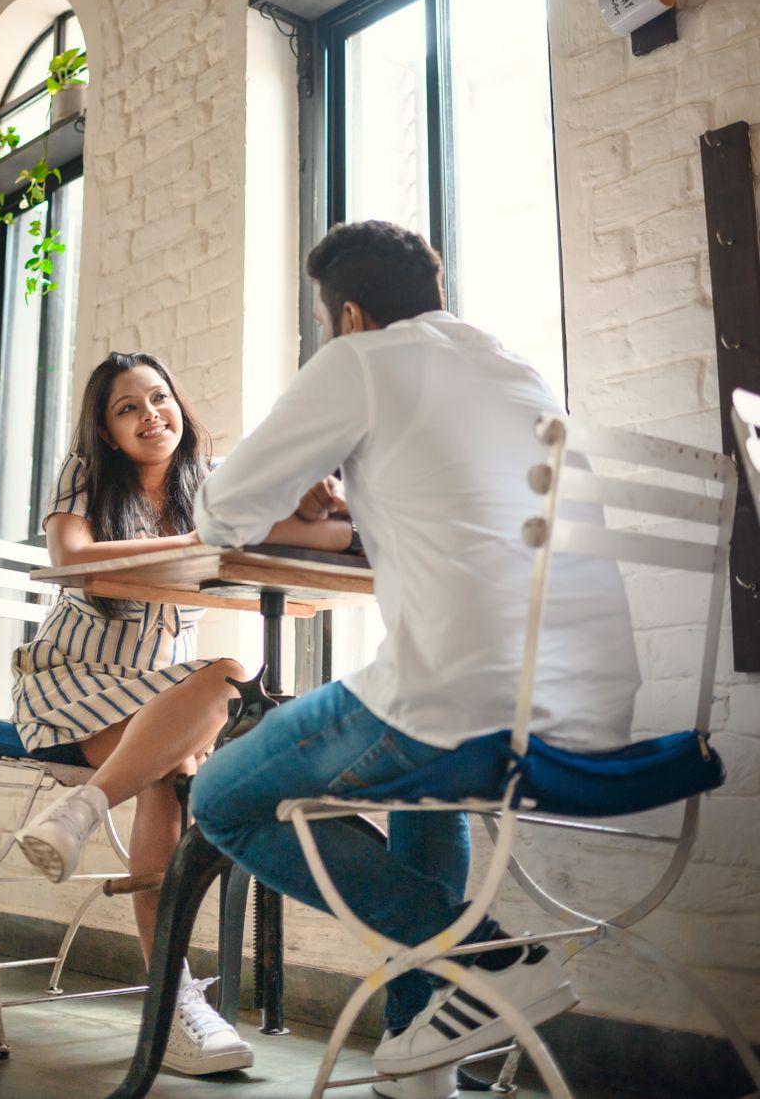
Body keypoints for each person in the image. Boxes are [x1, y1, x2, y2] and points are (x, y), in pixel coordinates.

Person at [188, 220, 641, 1099]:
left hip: (455, 694)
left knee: (221, 797)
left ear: (350, 315)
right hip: (584, 709)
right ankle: (421, 1053)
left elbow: (222, 516)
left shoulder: (360, 361)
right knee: (423, 790)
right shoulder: (517, 371)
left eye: (328, 325)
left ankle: (485, 955)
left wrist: (314, 483)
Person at [10, 349, 349, 1076]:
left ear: (179, 405)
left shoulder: (214, 482)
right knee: (216, 697)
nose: (149, 415)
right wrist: (197, 541)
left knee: (222, 692)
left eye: (158, 398)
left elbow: (300, 533)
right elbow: (72, 553)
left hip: (154, 690)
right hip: (70, 678)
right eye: (126, 407)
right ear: (106, 431)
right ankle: (179, 1004)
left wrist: (331, 504)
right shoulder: (86, 476)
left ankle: (88, 824)